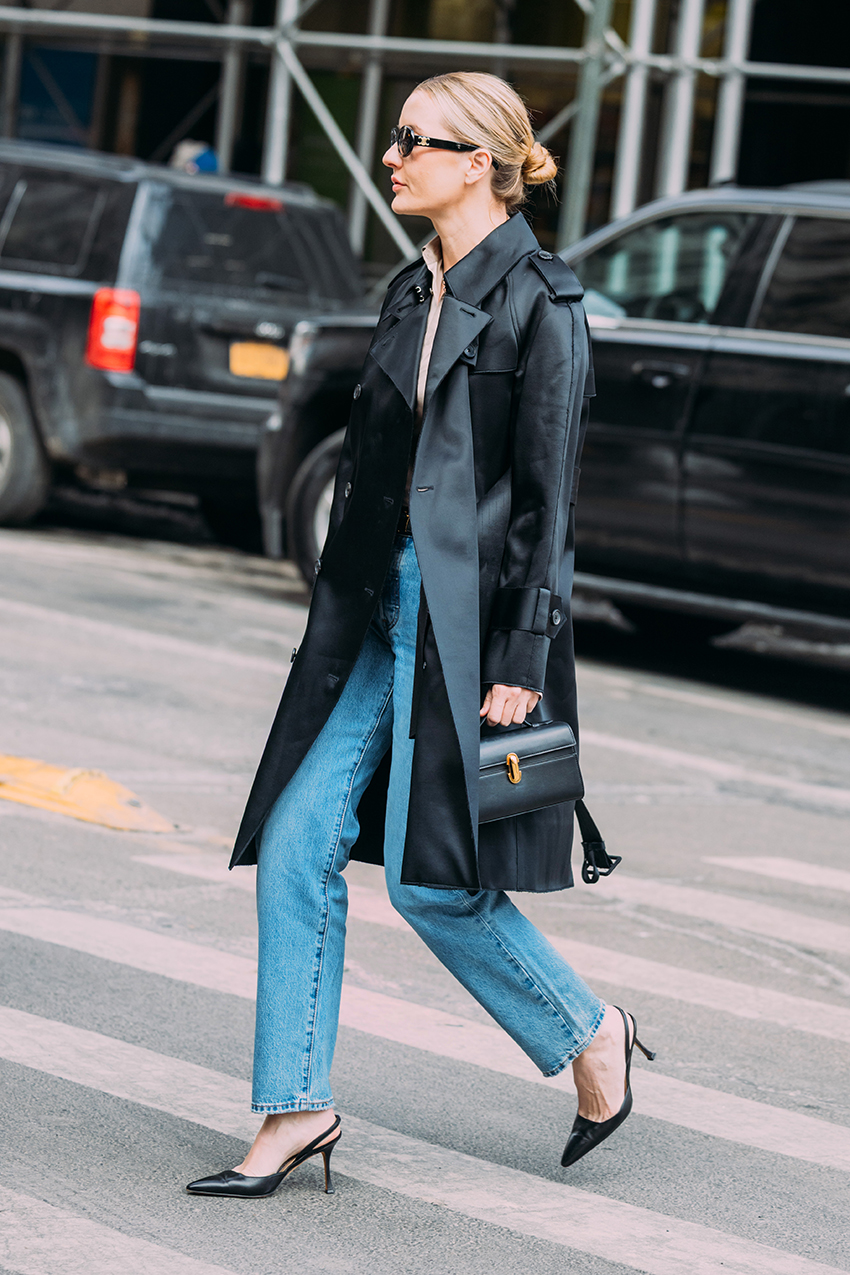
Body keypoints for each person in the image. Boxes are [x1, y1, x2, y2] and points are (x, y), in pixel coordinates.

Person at [187, 70, 653, 1201]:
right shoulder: (412, 287)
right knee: (295, 844)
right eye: (395, 137)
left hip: (467, 628)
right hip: (372, 612)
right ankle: (296, 1107)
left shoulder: (543, 302)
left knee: (433, 883)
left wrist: (521, 658)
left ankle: (590, 1032)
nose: (391, 157)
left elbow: (547, 502)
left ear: (478, 162)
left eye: (414, 140)